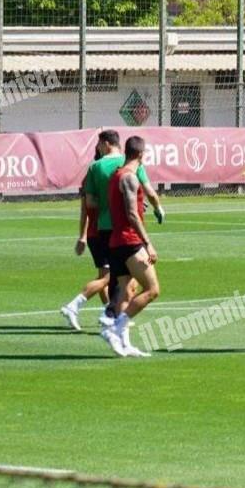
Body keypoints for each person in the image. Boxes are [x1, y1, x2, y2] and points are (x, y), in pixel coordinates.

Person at [61, 129, 163, 331]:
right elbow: (149, 192)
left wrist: (83, 234)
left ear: (106, 143)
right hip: (123, 231)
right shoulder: (128, 168)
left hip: (101, 229)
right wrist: (156, 207)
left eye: (98, 144)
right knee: (118, 280)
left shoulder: (95, 167)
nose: (97, 148)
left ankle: (113, 317)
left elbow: (88, 203)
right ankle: (91, 310)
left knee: (117, 280)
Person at [101, 137, 160, 357]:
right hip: (129, 241)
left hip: (116, 241)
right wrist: (148, 244)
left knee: (126, 293)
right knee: (153, 289)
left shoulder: (117, 174)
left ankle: (124, 344)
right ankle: (114, 329)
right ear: (141, 155)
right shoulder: (129, 177)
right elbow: (132, 214)